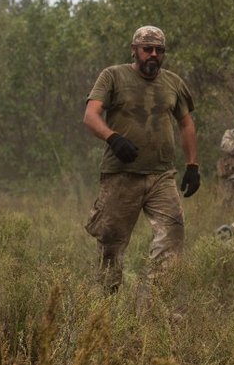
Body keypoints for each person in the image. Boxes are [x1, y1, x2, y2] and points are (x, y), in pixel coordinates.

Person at [82, 25, 201, 294]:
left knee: (172, 233)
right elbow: (90, 116)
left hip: (161, 175)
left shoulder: (173, 82)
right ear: (134, 50)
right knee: (111, 243)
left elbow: (186, 124)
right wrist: (113, 138)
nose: (153, 55)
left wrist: (193, 165)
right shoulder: (113, 76)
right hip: (121, 175)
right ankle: (104, 304)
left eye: (159, 50)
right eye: (147, 49)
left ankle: (154, 300)